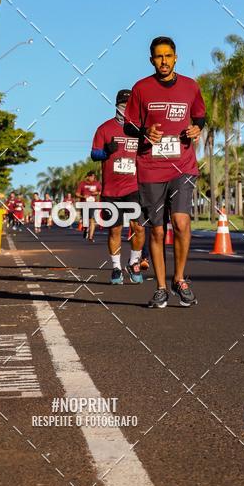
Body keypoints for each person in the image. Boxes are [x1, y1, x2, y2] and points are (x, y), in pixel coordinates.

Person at [124, 36, 205, 308]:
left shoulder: (190, 87)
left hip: (182, 166)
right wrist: (145, 131)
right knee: (157, 232)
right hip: (150, 168)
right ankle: (160, 287)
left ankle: (179, 278)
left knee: (182, 223)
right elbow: (129, 126)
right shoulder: (141, 89)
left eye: (168, 56)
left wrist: (197, 129)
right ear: (151, 60)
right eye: (159, 57)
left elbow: (200, 116)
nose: (164, 61)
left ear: (176, 57)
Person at [91, 89, 146, 285]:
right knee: (115, 230)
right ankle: (116, 268)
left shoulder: (140, 129)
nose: (125, 109)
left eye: (129, 106)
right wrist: (105, 151)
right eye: (123, 105)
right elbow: (94, 154)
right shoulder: (104, 129)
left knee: (138, 227)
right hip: (111, 190)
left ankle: (134, 263)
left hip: (134, 187)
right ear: (116, 106)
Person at [76, 172, 102, 241]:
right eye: (91, 177)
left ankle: (90, 237)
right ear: (88, 177)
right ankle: (85, 229)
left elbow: (101, 191)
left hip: (93, 203)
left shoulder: (97, 183)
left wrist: (97, 193)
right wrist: (83, 196)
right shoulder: (82, 184)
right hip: (84, 203)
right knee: (85, 220)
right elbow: (77, 193)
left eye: (94, 177)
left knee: (91, 219)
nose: (93, 178)